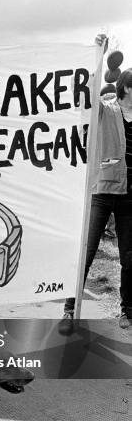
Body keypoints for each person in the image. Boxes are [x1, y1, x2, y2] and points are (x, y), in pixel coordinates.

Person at [59, 34, 132, 333]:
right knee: (86, 252)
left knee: (130, 257)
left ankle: (127, 311)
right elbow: (86, 98)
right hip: (102, 191)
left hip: (131, 196)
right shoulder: (106, 108)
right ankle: (69, 310)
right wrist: (97, 57)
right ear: (127, 88)